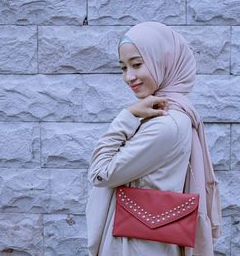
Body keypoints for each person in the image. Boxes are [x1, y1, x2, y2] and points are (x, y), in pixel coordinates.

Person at [86, 21, 222, 256]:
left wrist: (125, 116)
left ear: (164, 60)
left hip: (136, 245)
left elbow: (101, 173)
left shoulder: (164, 124)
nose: (129, 76)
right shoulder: (169, 113)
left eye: (137, 64)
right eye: (123, 67)